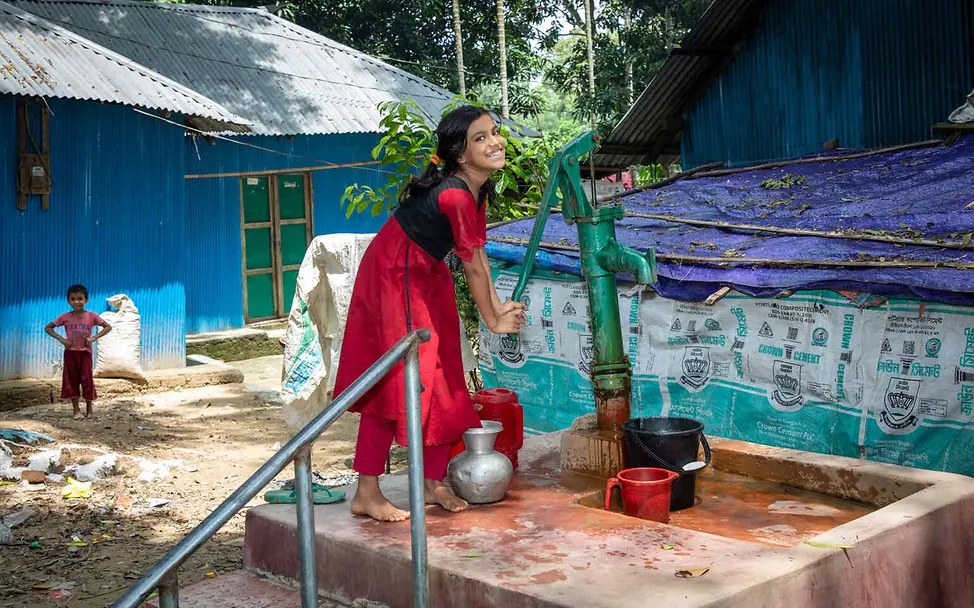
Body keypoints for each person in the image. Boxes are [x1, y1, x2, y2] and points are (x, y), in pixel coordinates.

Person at [333, 105, 526, 522]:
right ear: (459, 154)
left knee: (445, 374)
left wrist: (496, 308)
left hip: (427, 272)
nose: (494, 142)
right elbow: (472, 264)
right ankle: (367, 491)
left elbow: (479, 258)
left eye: (495, 133)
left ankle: (430, 481)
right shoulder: (455, 194)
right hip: (396, 273)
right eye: (480, 137)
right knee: (398, 378)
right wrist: (493, 319)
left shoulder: (476, 191)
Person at [45, 285, 112, 420]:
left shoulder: (91, 316)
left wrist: (93, 338)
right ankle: (76, 410)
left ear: (86, 300)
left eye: (80, 298)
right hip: (70, 353)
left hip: (85, 353)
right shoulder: (65, 317)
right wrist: (62, 339)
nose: (77, 302)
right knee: (71, 381)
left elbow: (107, 327)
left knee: (87, 380)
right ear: (68, 301)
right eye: (73, 299)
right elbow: (48, 328)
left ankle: (89, 409)